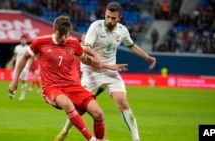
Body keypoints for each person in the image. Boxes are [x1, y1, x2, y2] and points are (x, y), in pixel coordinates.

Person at [8, 15, 128, 141]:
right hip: (52, 88)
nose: (64, 38)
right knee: (67, 104)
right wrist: (15, 80)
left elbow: (86, 60)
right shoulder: (41, 42)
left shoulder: (74, 43)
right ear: (54, 30)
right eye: (60, 35)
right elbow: (25, 57)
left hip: (73, 86)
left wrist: (108, 66)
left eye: (66, 34)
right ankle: (91, 139)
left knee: (98, 113)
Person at [55, 2, 156, 141]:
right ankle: (64, 132)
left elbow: (132, 46)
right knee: (80, 108)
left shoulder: (122, 31)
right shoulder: (96, 26)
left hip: (110, 71)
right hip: (91, 70)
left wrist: (147, 58)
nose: (109, 20)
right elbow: (86, 47)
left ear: (119, 18)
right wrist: (96, 56)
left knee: (123, 103)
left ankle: (136, 139)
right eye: (107, 17)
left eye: (113, 18)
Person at [8, 35, 31, 100]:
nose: (23, 41)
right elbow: (15, 56)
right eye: (22, 40)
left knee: (24, 81)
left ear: (26, 40)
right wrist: (11, 61)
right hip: (17, 66)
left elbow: (31, 57)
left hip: (25, 67)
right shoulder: (17, 47)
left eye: (24, 40)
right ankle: (12, 93)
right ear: (20, 40)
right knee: (14, 79)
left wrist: (29, 65)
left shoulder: (29, 48)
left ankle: (22, 95)